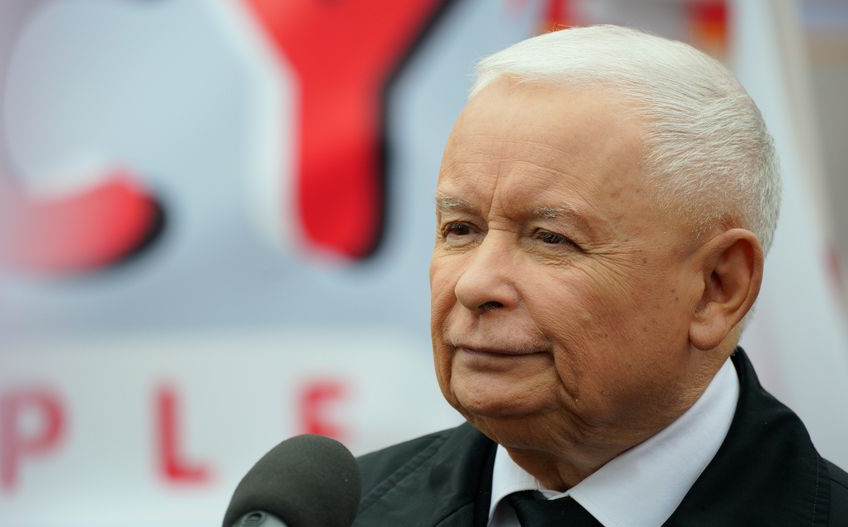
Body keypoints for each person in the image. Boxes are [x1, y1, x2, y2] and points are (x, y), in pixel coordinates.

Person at [352, 25, 848, 527]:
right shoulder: (339, 514)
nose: (474, 285)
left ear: (717, 288)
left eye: (550, 238)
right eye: (460, 229)